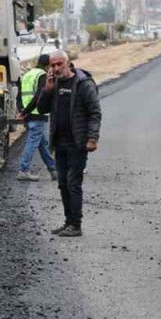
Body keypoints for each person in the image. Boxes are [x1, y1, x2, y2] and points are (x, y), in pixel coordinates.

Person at [36, 51, 101, 237]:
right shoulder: (54, 84)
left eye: (59, 64)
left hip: (78, 143)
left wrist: (92, 138)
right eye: (52, 65)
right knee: (63, 184)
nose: (56, 68)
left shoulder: (83, 84)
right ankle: (68, 222)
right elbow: (42, 109)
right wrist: (47, 89)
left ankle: (76, 225)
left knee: (73, 183)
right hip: (59, 142)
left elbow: (95, 112)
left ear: (68, 63)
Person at [17, 54, 58, 182]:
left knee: (42, 144)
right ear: (47, 66)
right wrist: (26, 111)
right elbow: (39, 96)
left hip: (29, 114)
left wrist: (22, 111)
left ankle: (53, 169)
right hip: (37, 113)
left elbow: (19, 96)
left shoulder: (27, 75)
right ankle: (23, 170)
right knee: (32, 142)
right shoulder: (42, 75)